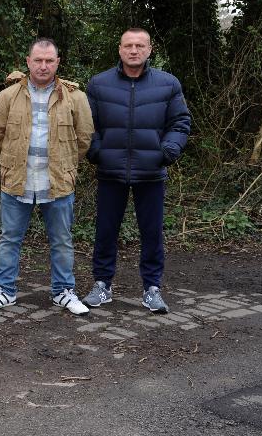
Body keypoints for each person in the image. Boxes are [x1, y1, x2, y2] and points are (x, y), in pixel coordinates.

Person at [0, 37, 94, 316]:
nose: (43, 66)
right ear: (28, 62)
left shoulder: (75, 97)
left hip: (58, 182)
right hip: (17, 180)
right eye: (38, 60)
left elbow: (84, 138)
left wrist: (64, 164)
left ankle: (63, 292)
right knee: (10, 238)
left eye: (49, 61)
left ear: (57, 63)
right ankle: (5, 291)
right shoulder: (8, 96)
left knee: (62, 240)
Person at [82, 28, 191, 314]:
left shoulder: (168, 84)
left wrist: (166, 152)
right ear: (119, 49)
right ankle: (102, 284)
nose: (134, 50)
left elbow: (180, 123)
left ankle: (152, 289)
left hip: (151, 172)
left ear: (149, 49)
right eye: (128, 45)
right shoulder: (98, 83)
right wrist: (97, 152)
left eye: (139, 45)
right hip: (110, 171)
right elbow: (87, 125)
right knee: (105, 231)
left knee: (152, 233)